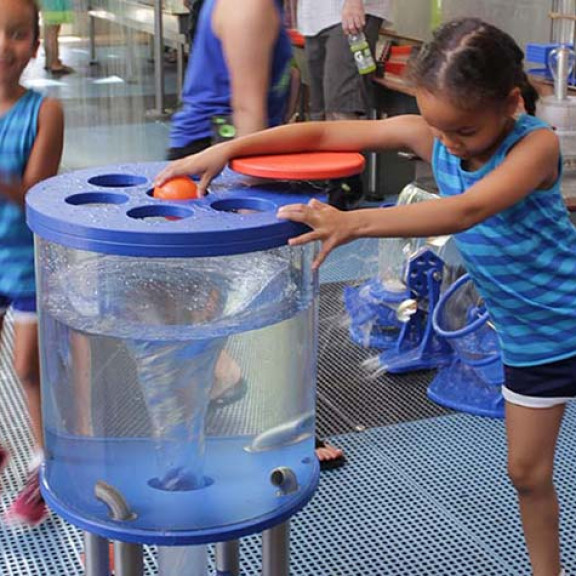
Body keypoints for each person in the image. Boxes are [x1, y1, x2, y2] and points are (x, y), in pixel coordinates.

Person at [156, 17, 571, 575]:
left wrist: (353, 222)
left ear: (511, 103)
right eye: (436, 126)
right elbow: (325, 134)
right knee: (525, 473)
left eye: (464, 132)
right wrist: (228, 151)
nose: (447, 143)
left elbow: (466, 209)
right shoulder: (437, 135)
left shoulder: (536, 146)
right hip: (528, 341)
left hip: (569, 318)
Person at [0, 0, 64, 526]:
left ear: (36, 46)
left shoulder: (44, 112)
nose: (4, 46)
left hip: (26, 263)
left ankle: (46, 467)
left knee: (28, 367)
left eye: (17, 34)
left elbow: (35, 194)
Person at [296, 0, 393, 208]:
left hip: (349, 11)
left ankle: (344, 187)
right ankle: (329, 182)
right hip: (314, 16)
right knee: (319, 109)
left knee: (341, 104)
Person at [40, 0, 74, 75]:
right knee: (53, 31)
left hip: (47, 4)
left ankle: (49, 61)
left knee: (49, 30)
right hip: (55, 4)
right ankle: (55, 64)